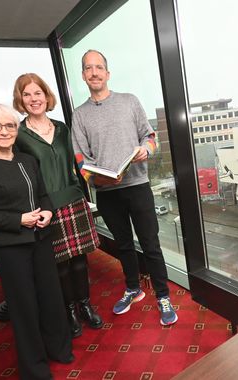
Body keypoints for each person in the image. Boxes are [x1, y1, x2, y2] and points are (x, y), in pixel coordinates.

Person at [0, 104, 73, 380]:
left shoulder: (27, 160)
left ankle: (59, 349)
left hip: (41, 240)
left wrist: (47, 211)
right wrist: (18, 220)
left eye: (10, 125)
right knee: (25, 309)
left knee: (51, 299)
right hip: (10, 248)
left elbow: (43, 196)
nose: (4, 131)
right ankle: (35, 369)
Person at [71, 49, 178, 326]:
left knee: (151, 245)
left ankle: (163, 295)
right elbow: (81, 160)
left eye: (98, 67)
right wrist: (97, 178)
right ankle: (133, 289)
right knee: (123, 245)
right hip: (107, 193)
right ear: (83, 75)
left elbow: (150, 136)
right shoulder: (80, 115)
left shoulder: (129, 101)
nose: (94, 72)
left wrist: (146, 149)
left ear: (107, 73)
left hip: (138, 186)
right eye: (88, 68)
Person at [12, 73, 103, 338]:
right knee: (59, 264)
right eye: (26, 94)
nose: (33, 99)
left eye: (37, 93)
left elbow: (78, 162)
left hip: (74, 199)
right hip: (46, 206)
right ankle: (68, 312)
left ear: (46, 95)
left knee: (79, 261)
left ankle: (84, 305)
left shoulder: (63, 128)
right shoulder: (19, 134)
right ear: (21, 99)